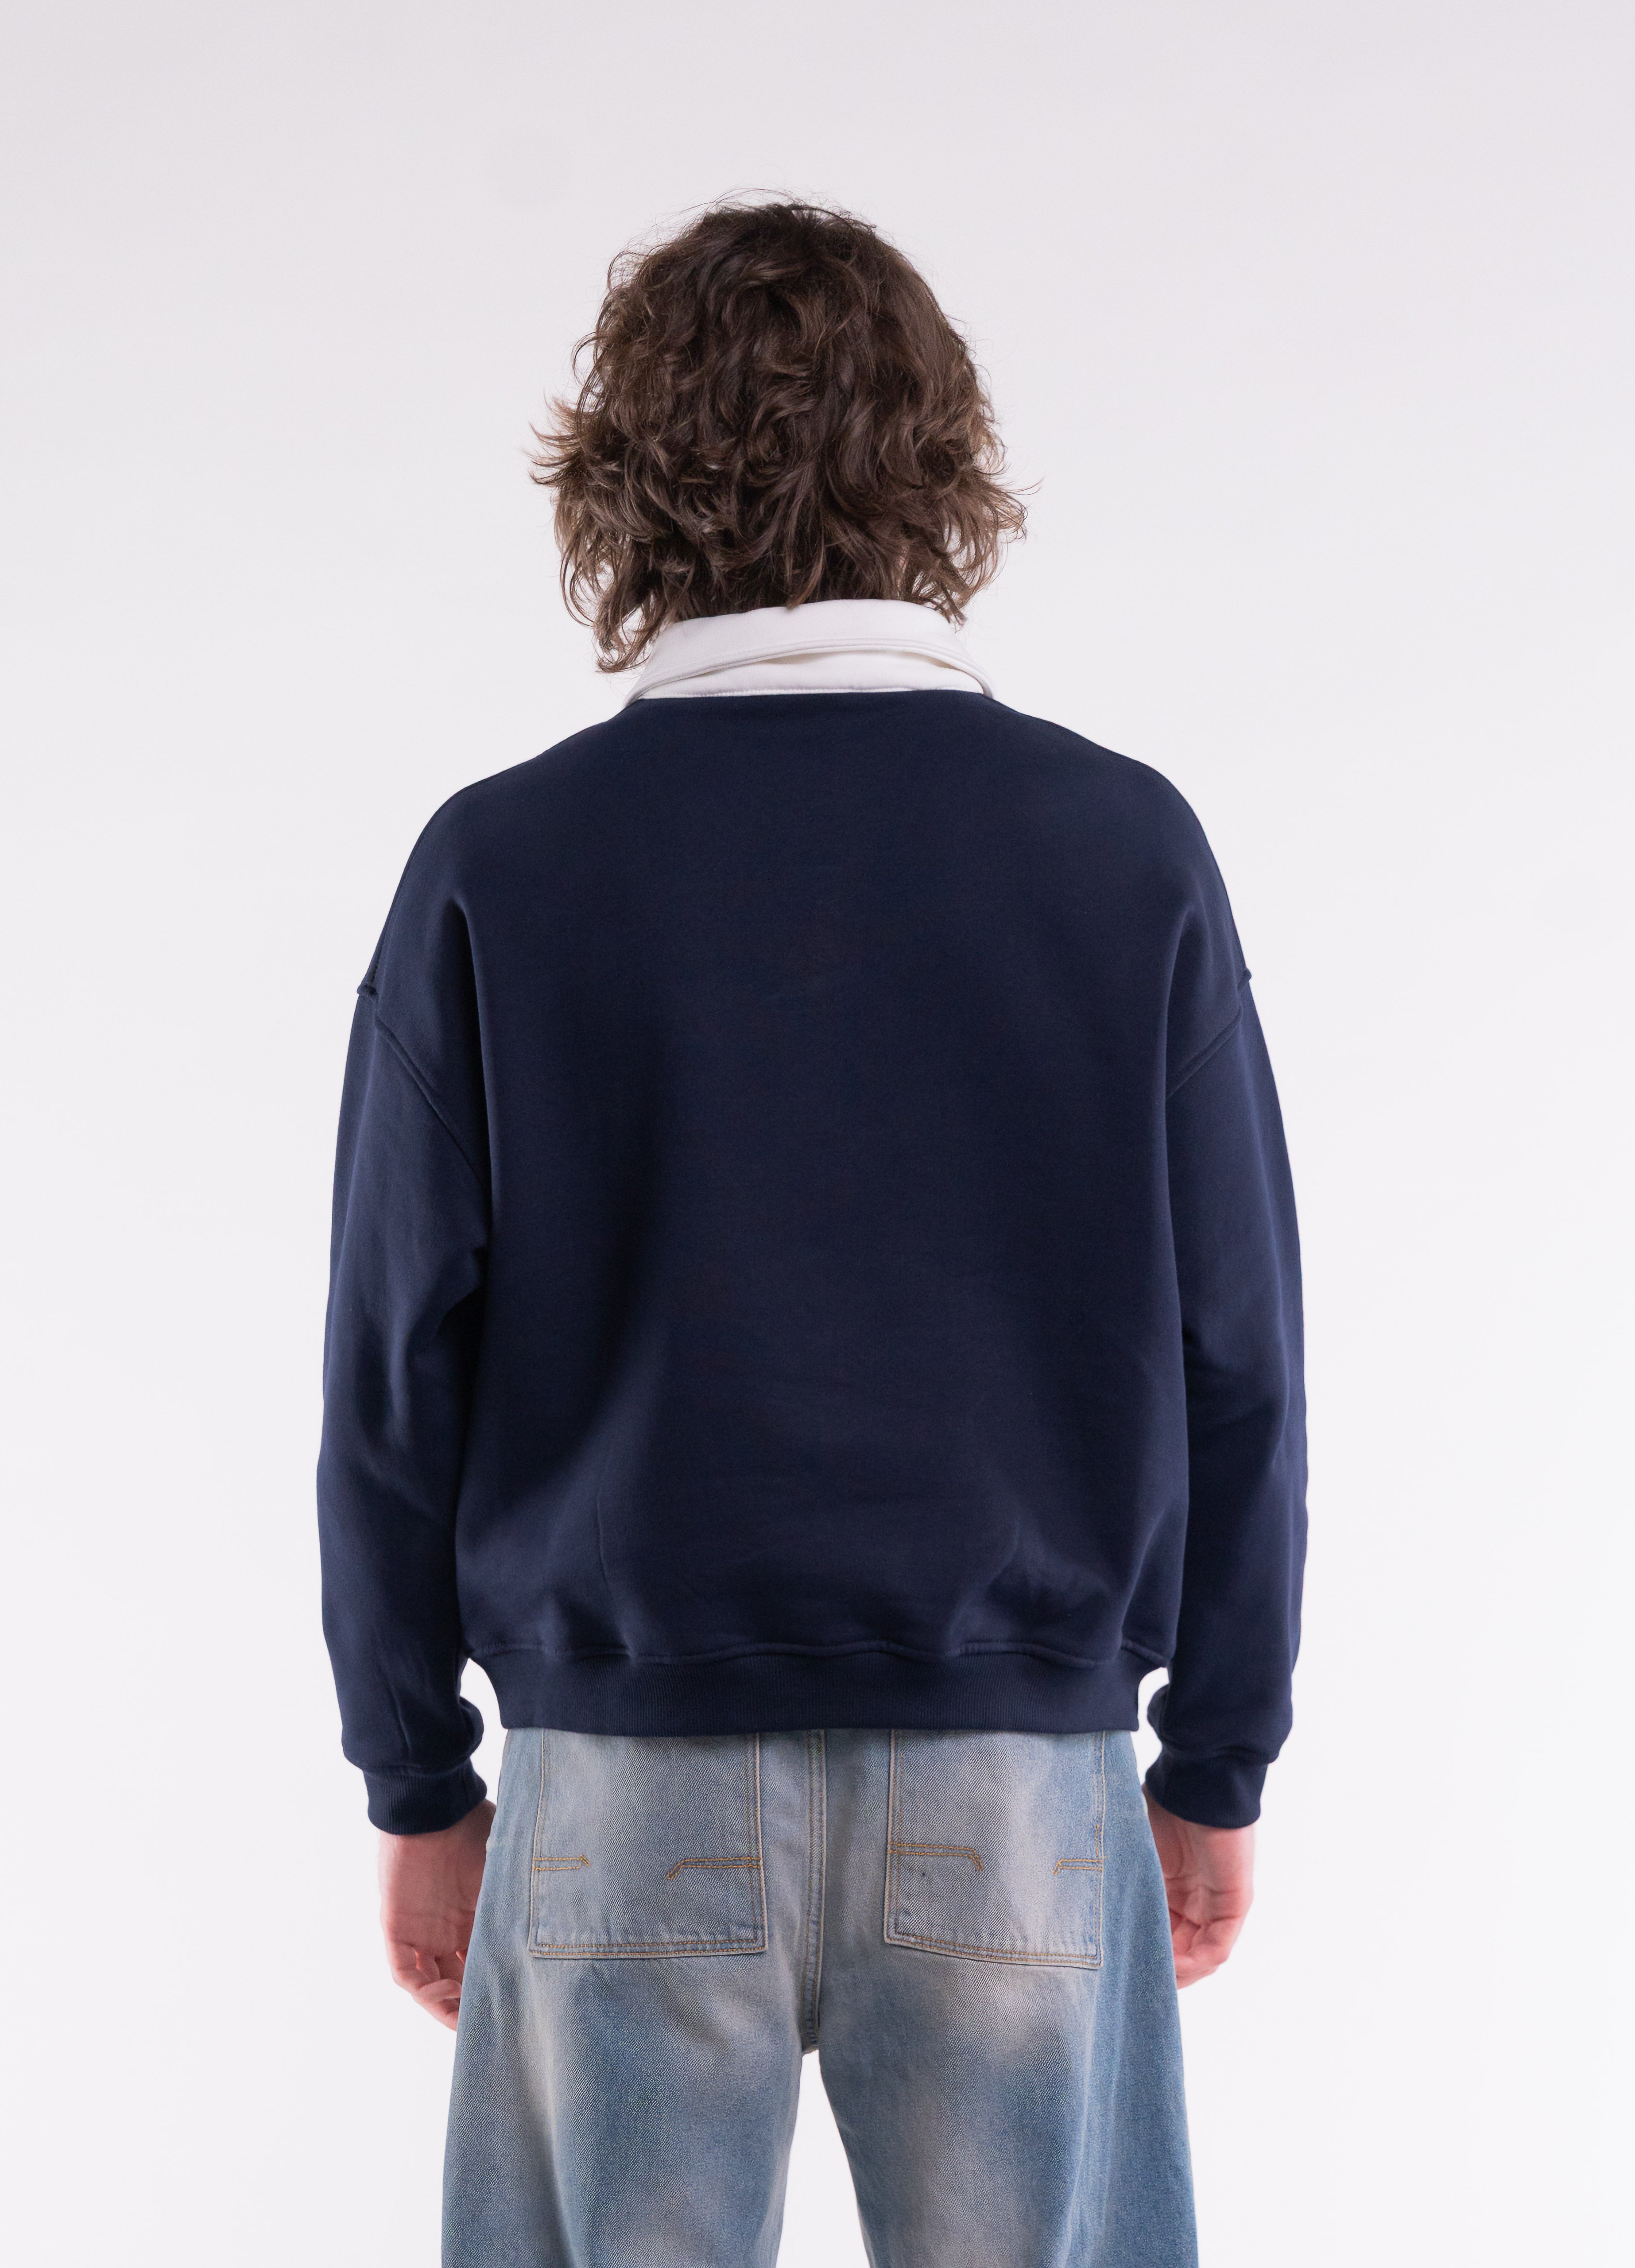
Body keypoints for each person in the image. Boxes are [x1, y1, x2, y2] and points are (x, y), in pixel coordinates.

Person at [317, 198, 1306, 2268]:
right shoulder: (1122, 852)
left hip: (621, 1786)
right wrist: (1218, 1753)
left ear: (622, 482)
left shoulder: (504, 865)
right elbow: (1240, 1349)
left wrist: (418, 1780)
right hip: (1015, 1785)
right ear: (940, 469)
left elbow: (396, 1367)